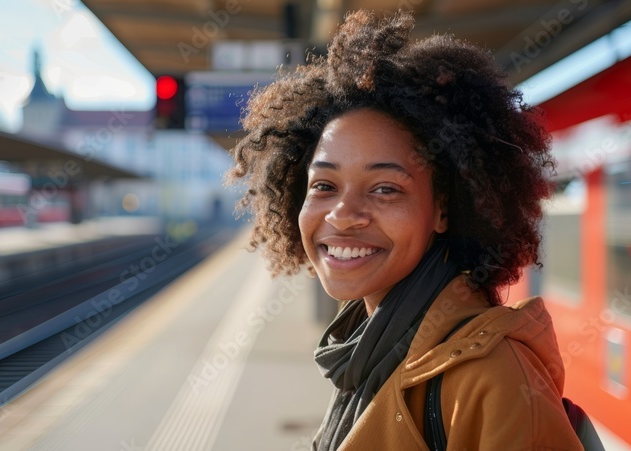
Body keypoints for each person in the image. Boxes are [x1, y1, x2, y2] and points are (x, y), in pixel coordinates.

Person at [227, 10, 584, 450]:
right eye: (323, 185)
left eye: (384, 188)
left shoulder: (492, 380)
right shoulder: (373, 349)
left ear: (444, 209)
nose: (342, 214)